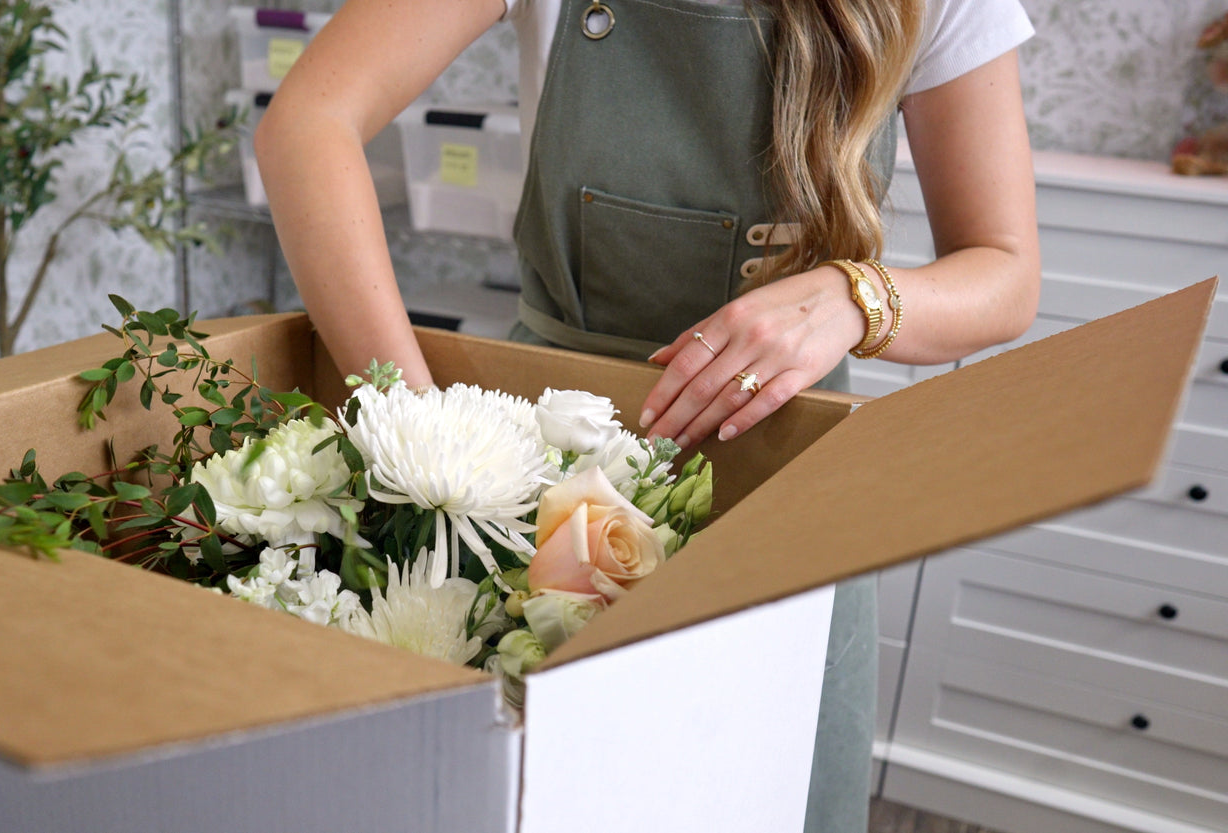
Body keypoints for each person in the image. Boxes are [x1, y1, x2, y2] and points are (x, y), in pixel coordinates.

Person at [254, 0, 1040, 829]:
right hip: (551, 459)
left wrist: (859, 295)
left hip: (791, 465)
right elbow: (309, 123)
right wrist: (421, 430)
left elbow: (1005, 274)